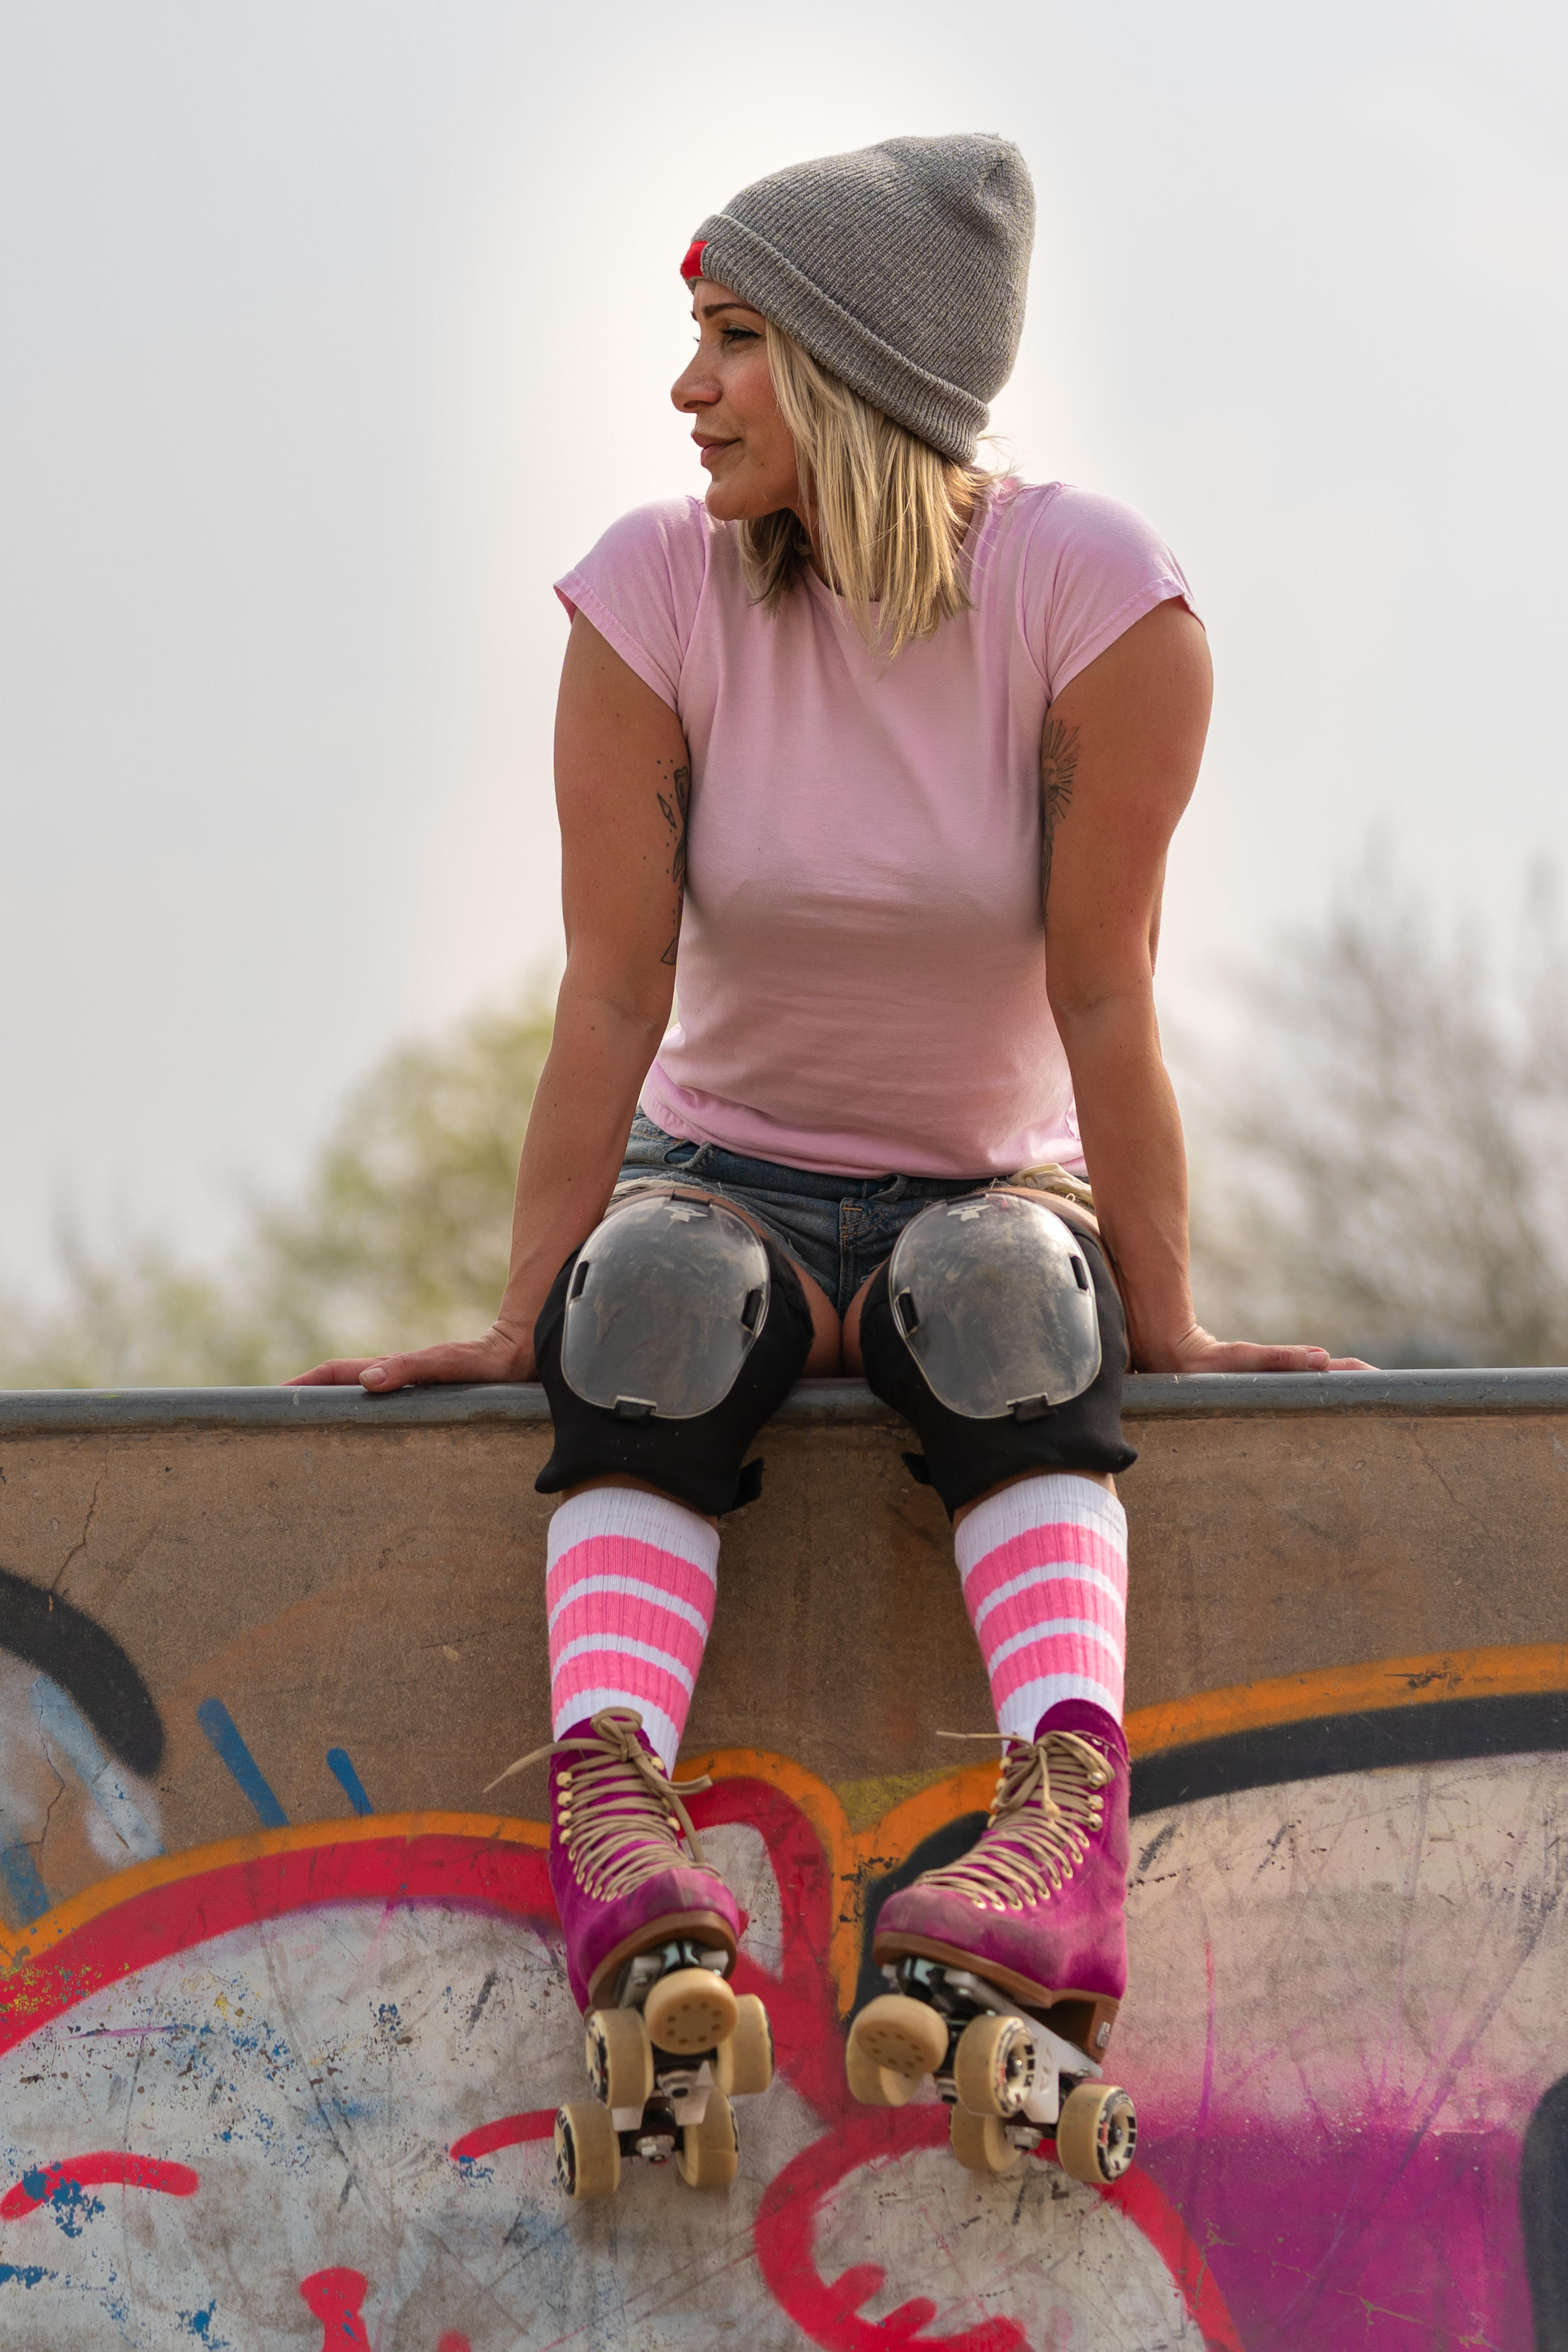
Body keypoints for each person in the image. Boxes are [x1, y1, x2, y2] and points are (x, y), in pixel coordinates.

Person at [291, 133, 1362, 2193]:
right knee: (657, 1291)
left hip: (991, 1192)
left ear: (859, 368)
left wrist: (1163, 1322)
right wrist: (525, 1317)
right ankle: (619, 1823)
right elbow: (608, 998)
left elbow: (1108, 998)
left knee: (994, 1292)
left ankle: (1058, 1837)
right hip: (731, 1182)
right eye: (690, 346)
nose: (685, 393)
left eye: (730, 344)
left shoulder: (1096, 596)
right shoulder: (650, 593)